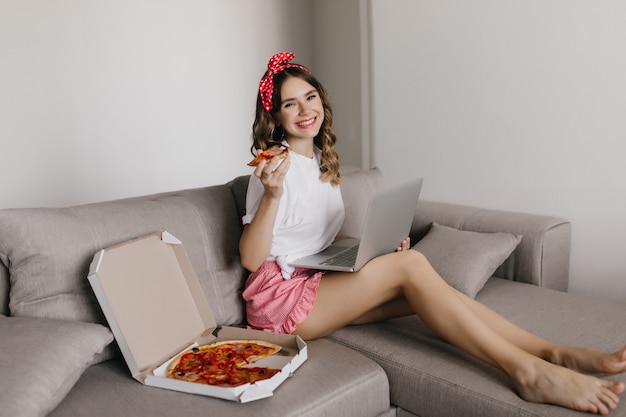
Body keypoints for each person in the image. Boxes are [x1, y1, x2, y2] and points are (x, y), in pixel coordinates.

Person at [239, 51, 626, 415]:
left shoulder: (321, 162)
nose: (306, 110)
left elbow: (312, 241)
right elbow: (252, 258)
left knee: (438, 292)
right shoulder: (272, 170)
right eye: (291, 103)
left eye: (310, 97)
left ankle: (554, 353)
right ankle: (528, 374)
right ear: (275, 116)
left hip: (319, 280)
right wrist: (272, 195)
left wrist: (370, 250)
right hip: (282, 303)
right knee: (412, 267)